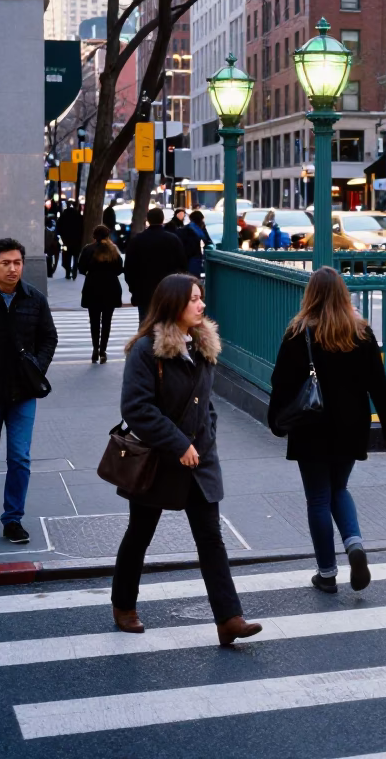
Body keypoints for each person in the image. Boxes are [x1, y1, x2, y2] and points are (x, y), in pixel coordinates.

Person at [112, 274, 262, 644]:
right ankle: (123, 605)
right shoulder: (147, 350)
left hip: (200, 459)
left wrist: (205, 440)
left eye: (201, 298)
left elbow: (206, 403)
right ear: (174, 303)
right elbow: (137, 408)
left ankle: (229, 619)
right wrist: (178, 444)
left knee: (211, 537)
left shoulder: (202, 346)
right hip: (160, 459)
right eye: (195, 299)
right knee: (140, 534)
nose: (202, 304)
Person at [267, 267, 386, 593]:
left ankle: (327, 573)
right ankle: (354, 545)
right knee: (339, 489)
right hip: (351, 425)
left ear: (310, 295)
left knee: (318, 497)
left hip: (310, 425)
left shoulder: (298, 333)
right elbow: (379, 385)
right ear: (343, 295)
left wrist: (276, 422)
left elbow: (281, 383)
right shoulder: (361, 333)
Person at [0, 239, 58, 544]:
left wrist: (37, 367)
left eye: (18, 263)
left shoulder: (34, 299)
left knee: (20, 457)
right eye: (6, 263)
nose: (13, 268)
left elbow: (49, 338)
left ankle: (12, 519)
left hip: (23, 393)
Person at [124, 207, 188, 324]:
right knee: (167, 323)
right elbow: (183, 265)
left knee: (145, 323)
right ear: (162, 219)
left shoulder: (137, 240)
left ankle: (146, 341)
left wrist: (133, 289)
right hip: (168, 289)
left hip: (144, 290)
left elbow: (129, 268)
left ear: (148, 220)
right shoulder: (173, 240)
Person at [77, 225, 124, 363]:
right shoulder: (113, 249)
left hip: (93, 286)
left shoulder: (88, 249)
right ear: (108, 235)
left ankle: (95, 348)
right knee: (107, 320)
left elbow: (81, 268)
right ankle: (103, 350)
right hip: (111, 286)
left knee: (94, 320)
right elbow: (119, 268)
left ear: (94, 236)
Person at [179, 210, 214, 277]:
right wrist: (204, 229)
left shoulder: (185, 229)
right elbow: (207, 241)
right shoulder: (199, 230)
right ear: (200, 220)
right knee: (193, 277)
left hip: (185, 257)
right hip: (194, 257)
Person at [56, 200, 84, 280]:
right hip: (76, 240)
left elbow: (59, 227)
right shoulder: (78, 216)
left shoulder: (64, 215)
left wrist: (61, 236)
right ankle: (74, 271)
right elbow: (81, 228)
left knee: (66, 256)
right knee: (75, 257)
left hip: (66, 240)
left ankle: (68, 272)